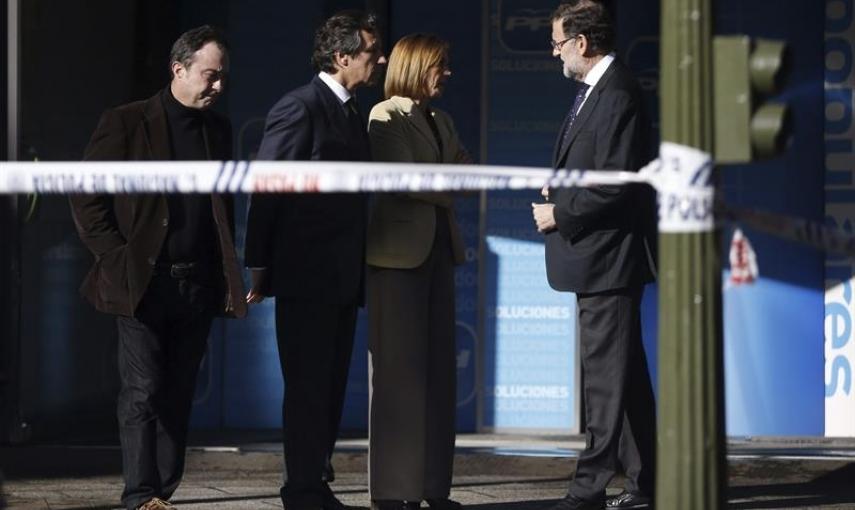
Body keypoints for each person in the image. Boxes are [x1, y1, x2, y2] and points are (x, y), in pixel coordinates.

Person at [69, 26, 246, 510]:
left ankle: (162, 489)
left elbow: (222, 208)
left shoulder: (218, 130)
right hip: (142, 282)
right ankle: (140, 493)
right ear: (179, 69)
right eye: (210, 75)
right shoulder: (127, 122)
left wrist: (230, 274)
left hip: (198, 284)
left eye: (223, 77)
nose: (218, 86)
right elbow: (87, 194)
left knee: (179, 392)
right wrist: (115, 255)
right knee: (142, 390)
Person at [243, 10, 386, 510]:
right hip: (306, 275)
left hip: (343, 277)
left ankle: (314, 480)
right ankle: (301, 490)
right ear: (342, 57)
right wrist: (258, 263)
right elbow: (267, 187)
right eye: (371, 52)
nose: (381, 59)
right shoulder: (301, 107)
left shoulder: (349, 110)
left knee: (327, 385)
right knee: (307, 386)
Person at [531, 1, 658, 509]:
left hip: (609, 259)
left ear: (582, 44)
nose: (555, 53)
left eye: (558, 43)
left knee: (604, 383)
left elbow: (617, 184)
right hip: (598, 259)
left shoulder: (617, 93)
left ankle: (588, 488)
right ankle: (649, 481)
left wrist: (561, 212)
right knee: (624, 378)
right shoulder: (595, 91)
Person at [365, 33, 469, 510]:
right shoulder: (385, 114)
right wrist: (443, 182)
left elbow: (465, 172)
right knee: (397, 378)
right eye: (440, 65)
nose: (447, 74)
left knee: (437, 377)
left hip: (439, 254)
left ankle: (433, 489)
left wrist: (439, 181)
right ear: (415, 66)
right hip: (397, 260)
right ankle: (393, 493)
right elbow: (403, 179)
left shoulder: (441, 118)